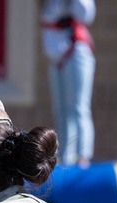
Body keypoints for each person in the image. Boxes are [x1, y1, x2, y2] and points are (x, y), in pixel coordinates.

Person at [41, 0, 95, 167]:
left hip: (75, 51)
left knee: (78, 107)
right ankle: (65, 157)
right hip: (56, 57)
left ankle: (83, 157)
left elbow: (87, 14)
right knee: (60, 108)